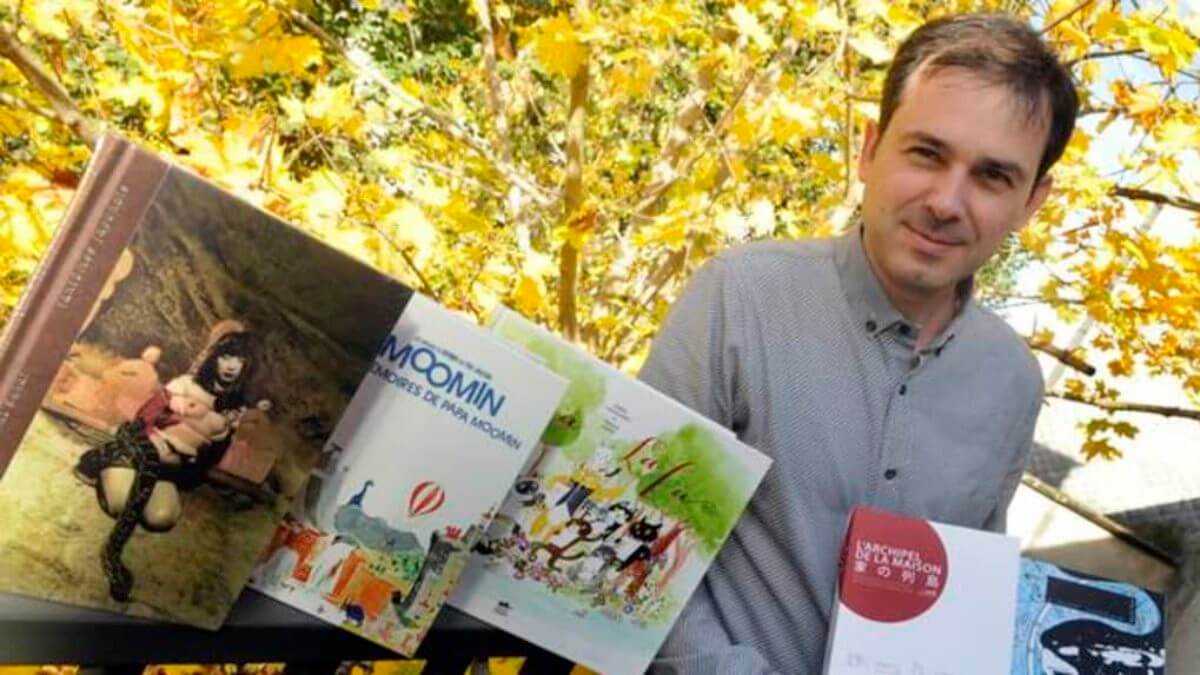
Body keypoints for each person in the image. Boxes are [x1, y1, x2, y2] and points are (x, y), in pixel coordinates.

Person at [640, 13, 1078, 673]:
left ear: (1031, 201)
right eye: (926, 153)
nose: (946, 201)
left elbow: (962, 597)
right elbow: (639, 526)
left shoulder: (1013, 382)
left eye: (992, 176)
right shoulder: (740, 297)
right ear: (870, 149)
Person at [74, 327, 258, 601]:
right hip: (140, 455)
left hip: (167, 472)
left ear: (246, 367)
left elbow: (209, 458)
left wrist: (191, 466)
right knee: (121, 506)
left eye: (239, 360)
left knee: (162, 519)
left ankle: (109, 463)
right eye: (226, 356)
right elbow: (140, 421)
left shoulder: (236, 410)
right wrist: (154, 436)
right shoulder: (184, 384)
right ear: (215, 358)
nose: (232, 366)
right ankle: (102, 462)